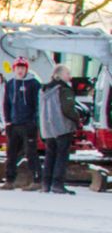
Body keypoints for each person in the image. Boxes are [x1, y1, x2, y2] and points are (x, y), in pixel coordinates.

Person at [38, 64, 85, 194]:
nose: (69, 76)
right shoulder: (64, 89)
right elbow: (68, 109)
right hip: (62, 127)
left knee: (49, 156)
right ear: (59, 75)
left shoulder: (44, 89)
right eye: (67, 73)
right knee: (61, 156)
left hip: (47, 128)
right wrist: (77, 119)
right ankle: (57, 184)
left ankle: (46, 184)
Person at [0, 57, 42, 189]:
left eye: (22, 68)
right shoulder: (10, 83)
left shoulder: (34, 84)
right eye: (18, 68)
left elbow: (37, 104)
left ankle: (37, 179)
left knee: (30, 152)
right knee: (11, 153)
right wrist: (7, 120)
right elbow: (6, 103)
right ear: (14, 69)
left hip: (28, 124)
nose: (20, 71)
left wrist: (34, 121)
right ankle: (9, 180)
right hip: (14, 124)